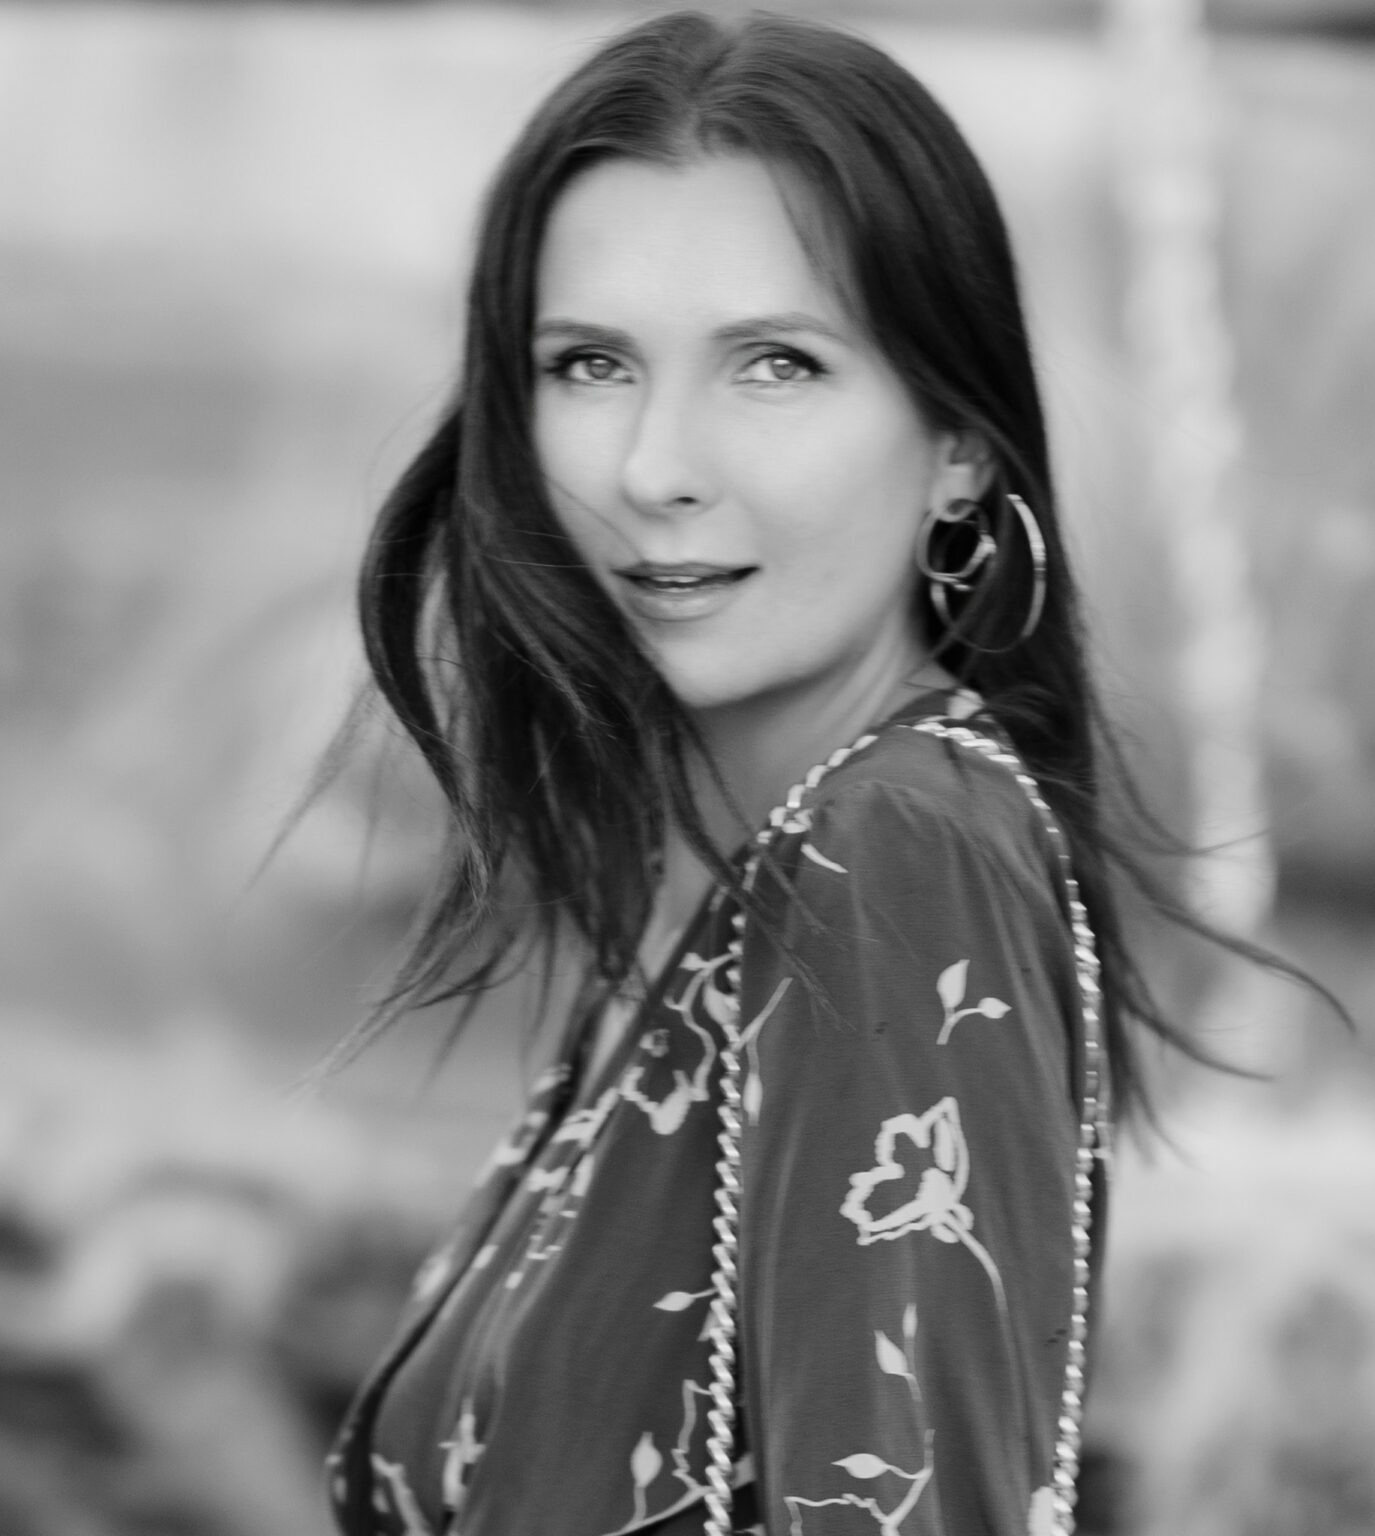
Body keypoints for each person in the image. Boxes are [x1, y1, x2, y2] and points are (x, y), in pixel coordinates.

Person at [322, 11, 1180, 1534]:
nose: (655, 468)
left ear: (961, 445)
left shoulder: (894, 856)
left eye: (776, 364)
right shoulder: (744, 857)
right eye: (590, 363)